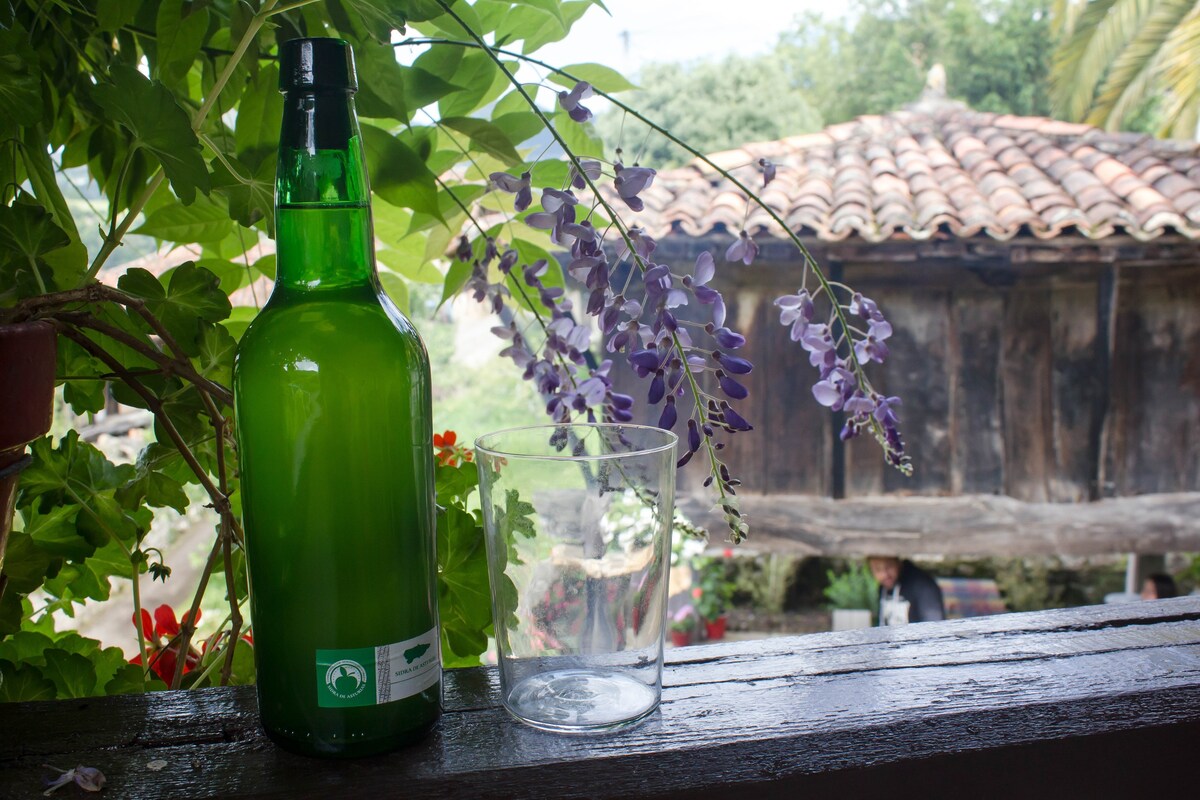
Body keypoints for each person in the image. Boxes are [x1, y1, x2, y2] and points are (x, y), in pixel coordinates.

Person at [867, 556, 945, 625]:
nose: (885, 574)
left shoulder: (923, 586)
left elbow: (933, 627)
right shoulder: (885, 587)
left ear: (898, 562)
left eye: (889, 566)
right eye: (877, 569)